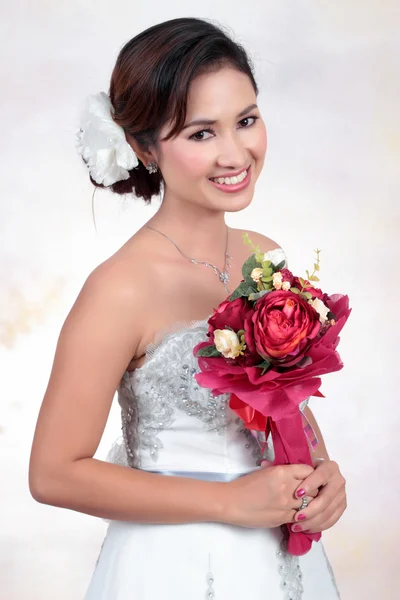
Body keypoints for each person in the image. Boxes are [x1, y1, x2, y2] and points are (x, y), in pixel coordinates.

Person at [29, 17, 346, 599]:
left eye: (246, 121)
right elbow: (52, 472)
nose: (236, 152)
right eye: (202, 133)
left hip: (283, 562)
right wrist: (228, 501)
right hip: (173, 564)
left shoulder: (263, 255)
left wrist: (324, 474)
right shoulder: (120, 288)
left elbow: (285, 403)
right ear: (143, 147)